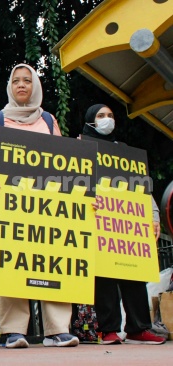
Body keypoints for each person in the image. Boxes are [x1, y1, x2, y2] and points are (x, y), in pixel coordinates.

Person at [0, 64, 80, 348]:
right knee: (13, 260)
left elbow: (63, 160)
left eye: (27, 80)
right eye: (16, 81)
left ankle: (57, 329)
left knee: (54, 260)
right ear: (10, 87)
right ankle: (13, 330)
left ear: (35, 86)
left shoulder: (48, 120)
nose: (21, 85)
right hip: (12, 205)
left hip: (48, 205)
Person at [82, 104, 166, 345]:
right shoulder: (81, 148)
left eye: (110, 116)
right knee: (104, 276)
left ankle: (138, 328)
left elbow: (142, 187)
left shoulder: (125, 152)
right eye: (100, 116)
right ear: (90, 121)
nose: (107, 120)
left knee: (134, 273)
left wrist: (153, 215)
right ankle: (108, 329)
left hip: (129, 222)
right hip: (97, 219)